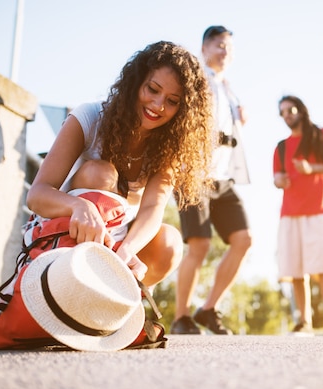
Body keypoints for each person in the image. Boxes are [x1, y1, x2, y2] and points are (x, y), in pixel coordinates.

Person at [26, 40, 213, 288]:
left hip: (119, 240)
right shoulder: (89, 117)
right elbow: (36, 195)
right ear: (136, 83)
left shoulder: (170, 147)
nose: (158, 105)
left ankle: (116, 303)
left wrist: (125, 252)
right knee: (101, 174)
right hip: (65, 235)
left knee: (170, 242)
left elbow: (151, 211)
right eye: (153, 89)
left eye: (172, 101)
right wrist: (78, 206)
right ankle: (71, 287)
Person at [172, 25, 252, 335]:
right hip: (194, 173)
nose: (225, 51)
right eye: (219, 45)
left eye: (229, 47)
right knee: (200, 245)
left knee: (243, 240)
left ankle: (208, 309)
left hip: (224, 177)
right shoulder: (196, 78)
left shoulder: (228, 88)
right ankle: (181, 316)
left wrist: (239, 121)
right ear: (204, 48)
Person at [273, 95, 323, 336]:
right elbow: (276, 178)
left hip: (320, 210)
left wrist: (312, 169)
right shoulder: (282, 146)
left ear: (302, 110)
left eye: (291, 109)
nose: (287, 115)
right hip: (290, 213)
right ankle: (303, 322)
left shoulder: (321, 135)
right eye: (282, 112)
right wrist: (280, 180)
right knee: (296, 270)